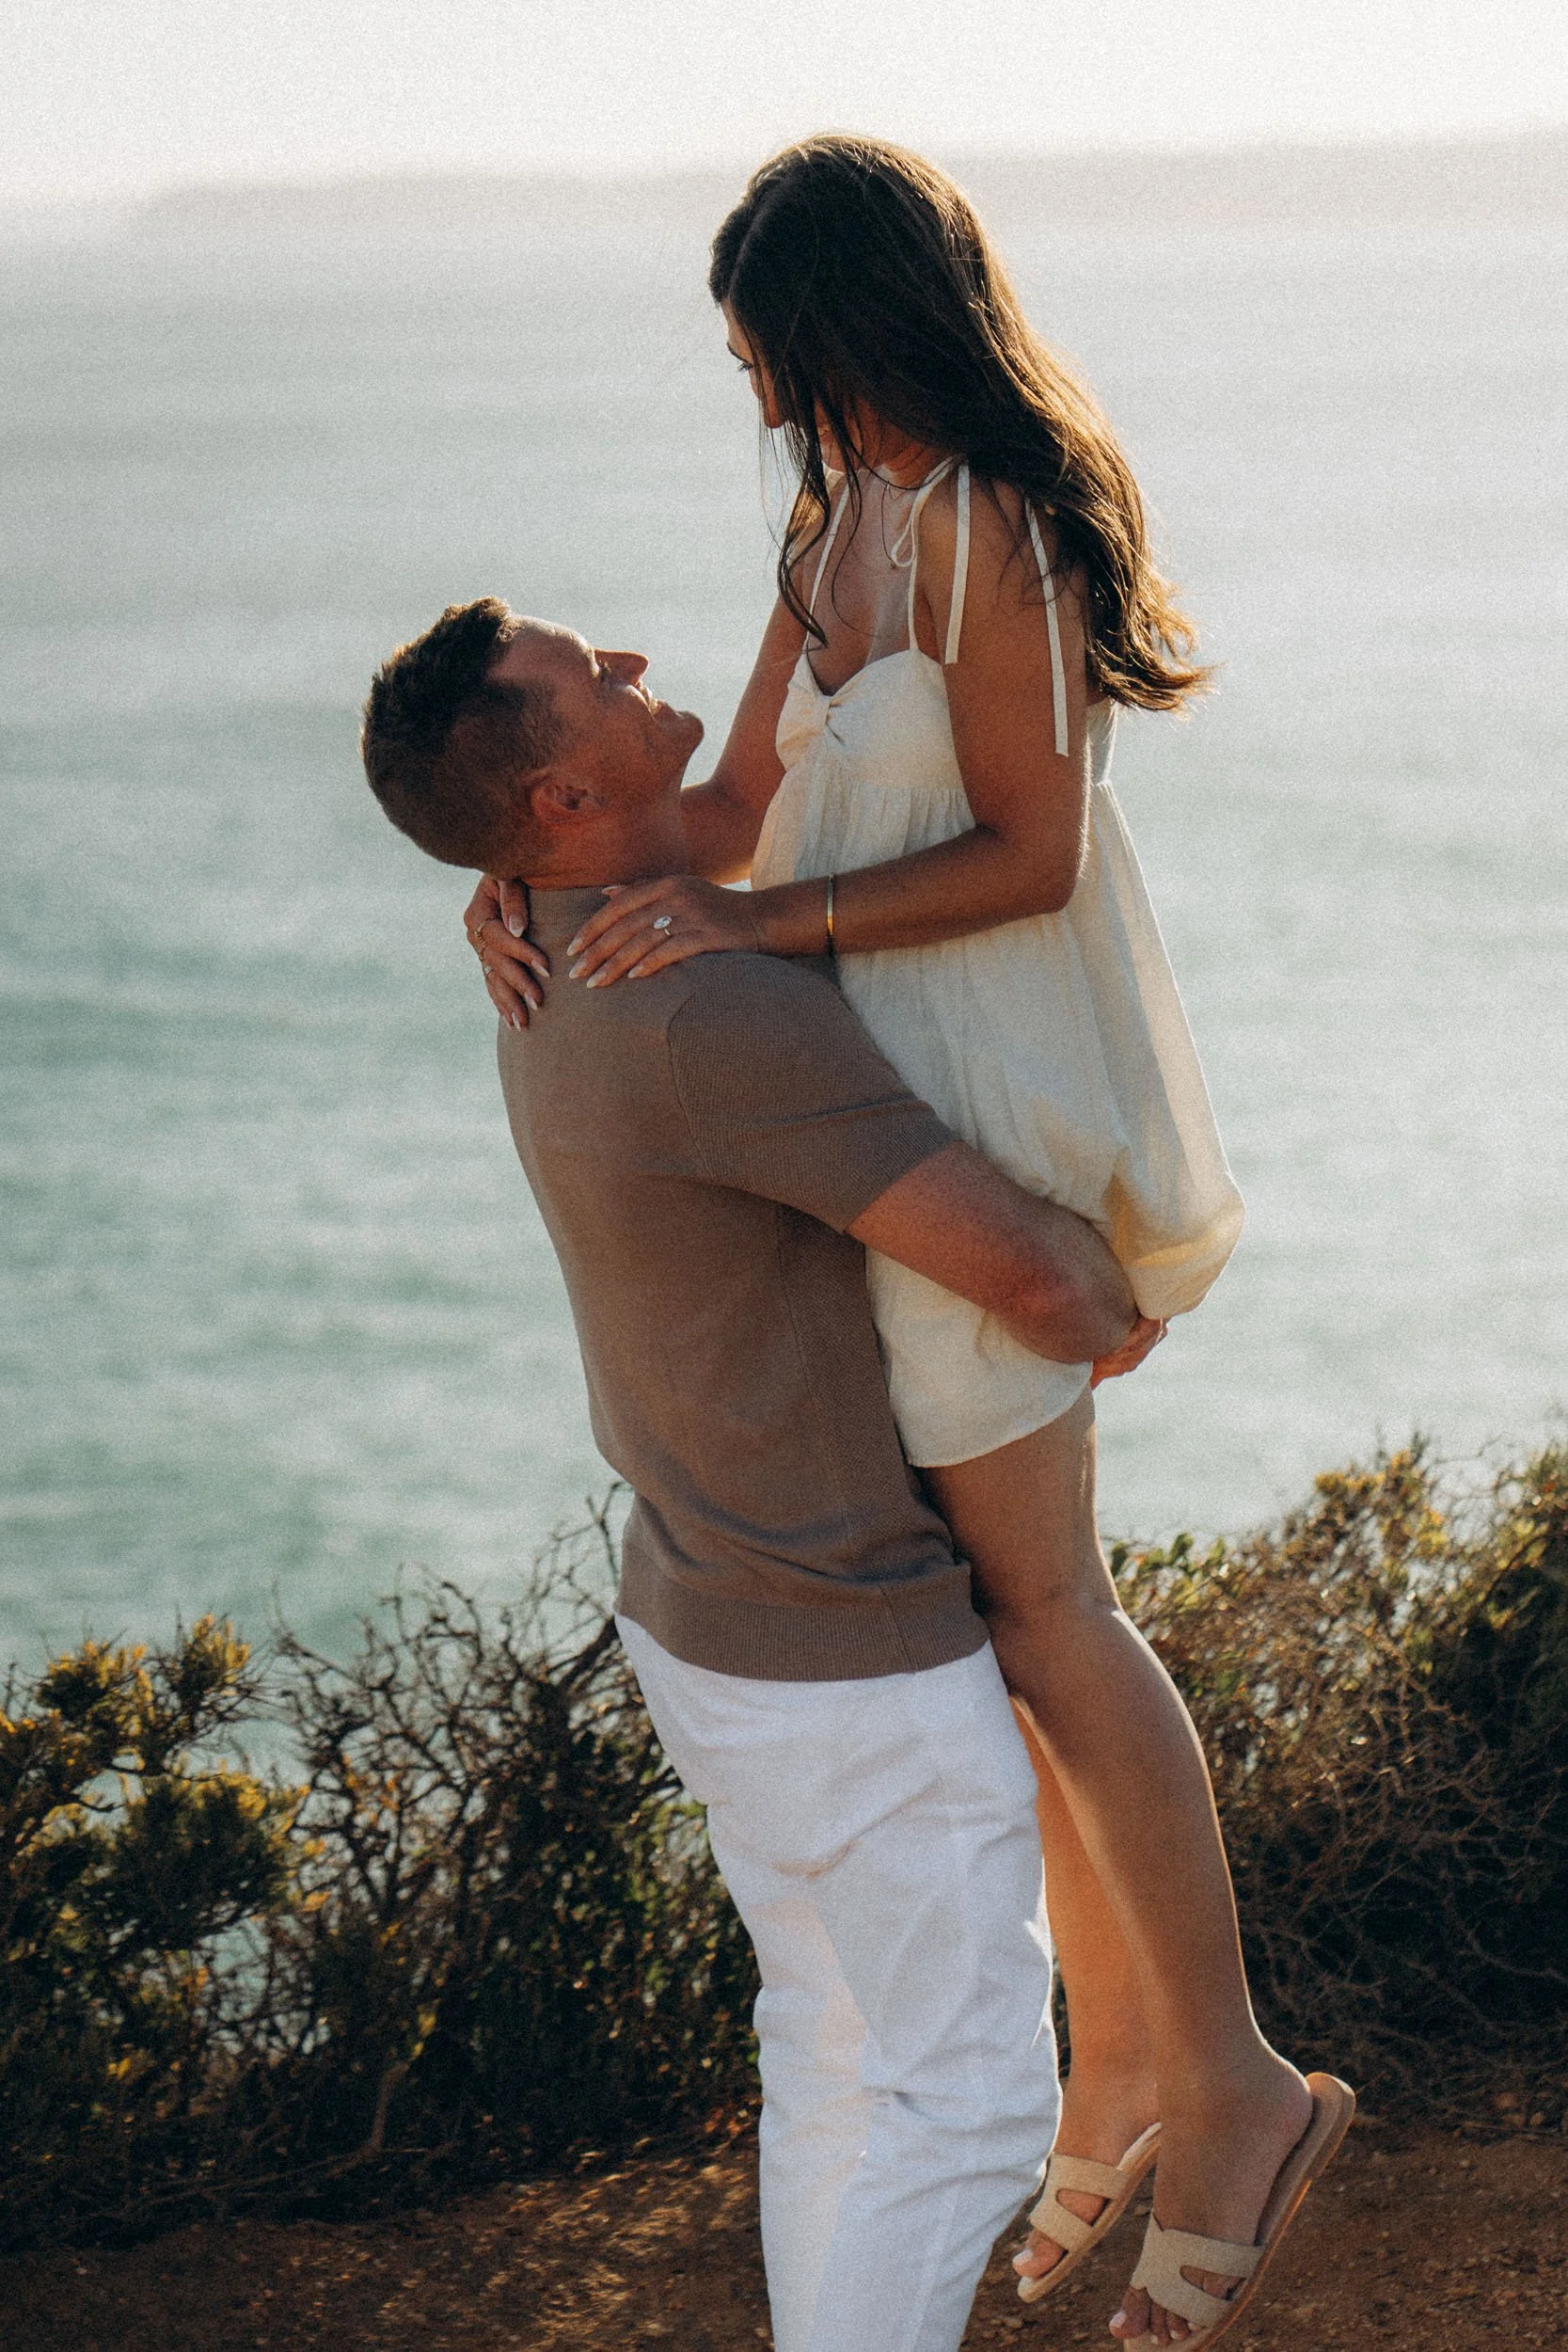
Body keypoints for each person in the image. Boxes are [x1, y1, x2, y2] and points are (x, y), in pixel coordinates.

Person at [466, 137, 1352, 2350]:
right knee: (1007, 1607)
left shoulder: (987, 526)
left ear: (862, 314)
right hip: (888, 1122)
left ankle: (1226, 2081)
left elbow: (1034, 854)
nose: (762, 382)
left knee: (1048, 1608)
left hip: (995, 1087)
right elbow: (728, 800)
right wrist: (513, 877)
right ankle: (1128, 2062)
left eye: (773, 333)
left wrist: (760, 922)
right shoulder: (827, 524)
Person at [358, 594, 1158, 2352]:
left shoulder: (553, 945)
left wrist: (815, 597)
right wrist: (1105, 1280)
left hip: (710, 1627)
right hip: (844, 1655)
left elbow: (726, 797)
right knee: (968, 2114)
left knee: (838, 2066)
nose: (640, 663)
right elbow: (1056, 1291)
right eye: (599, 677)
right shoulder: (705, 1007)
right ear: (561, 797)